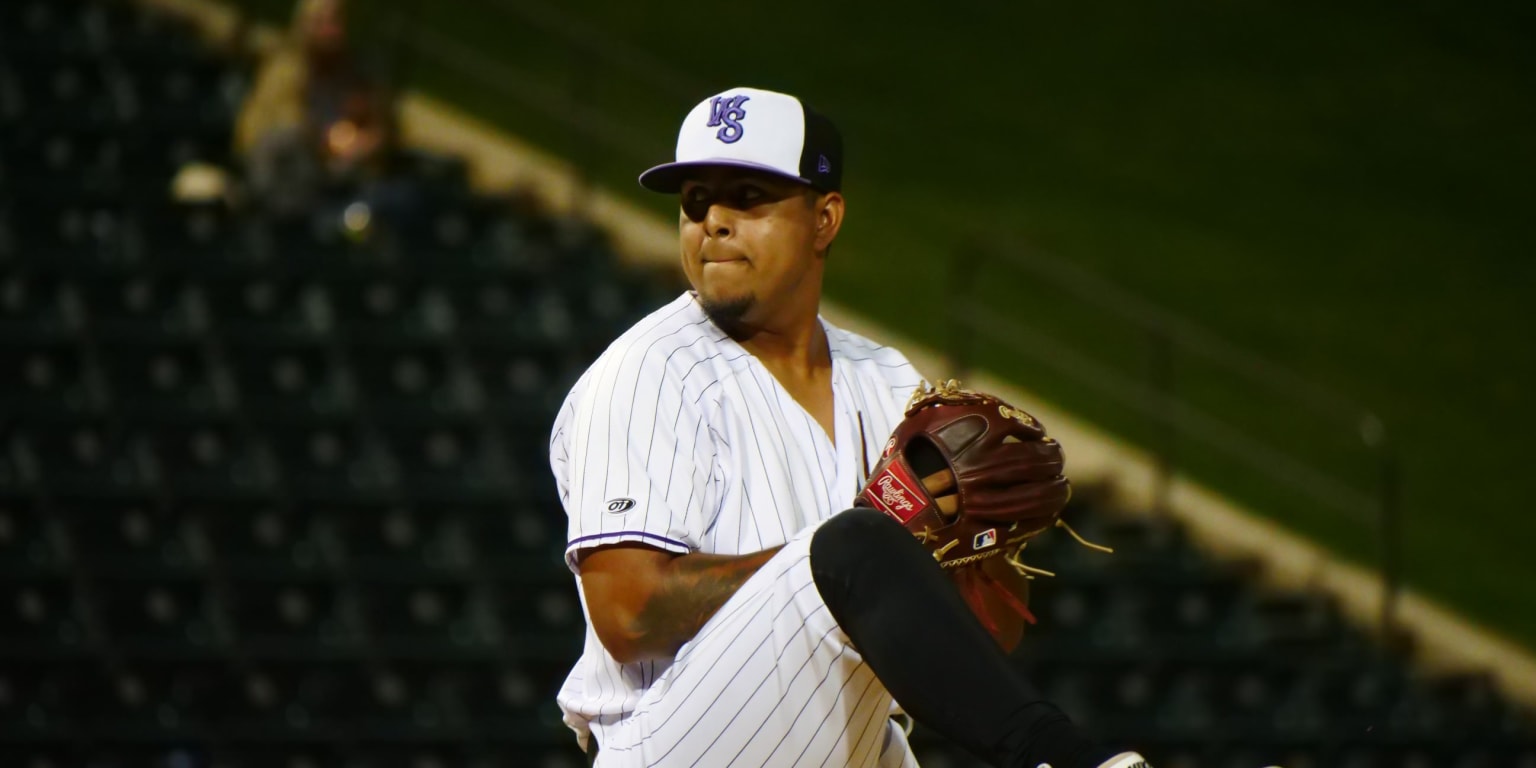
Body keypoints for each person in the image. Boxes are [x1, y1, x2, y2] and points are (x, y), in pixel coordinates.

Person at [549, 86, 1151, 768]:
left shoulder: (887, 382)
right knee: (854, 542)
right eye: (694, 201)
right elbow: (629, 615)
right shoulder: (646, 371)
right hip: (677, 743)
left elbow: (995, 635)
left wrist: (974, 552)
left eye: (747, 197)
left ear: (825, 220)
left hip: (844, 744)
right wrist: (859, 556)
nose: (712, 220)